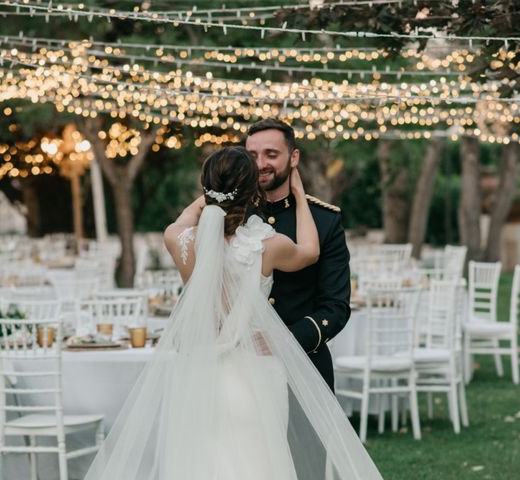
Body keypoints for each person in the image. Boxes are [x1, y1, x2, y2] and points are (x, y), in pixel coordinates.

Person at [85, 146, 381, 480]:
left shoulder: (179, 241)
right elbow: (311, 251)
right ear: (253, 192)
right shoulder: (268, 246)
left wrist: (209, 201)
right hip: (254, 378)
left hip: (197, 378)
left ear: (205, 189)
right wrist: (298, 194)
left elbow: (182, 221)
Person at [246, 118, 351, 391]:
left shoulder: (324, 221)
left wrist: (284, 342)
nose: (260, 164)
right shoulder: (232, 216)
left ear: (294, 157)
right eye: (252, 155)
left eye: (271, 154)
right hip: (242, 367)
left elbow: (335, 307)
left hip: (306, 365)